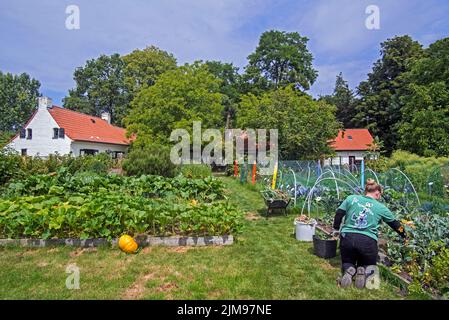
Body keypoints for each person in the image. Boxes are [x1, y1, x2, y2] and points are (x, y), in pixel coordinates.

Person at [332, 179, 407, 289]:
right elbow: (395, 224)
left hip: (347, 238)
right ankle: (362, 270)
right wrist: (405, 235)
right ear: (377, 192)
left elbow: (339, 213)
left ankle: (349, 270)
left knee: (347, 260)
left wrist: (336, 228)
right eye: (380, 194)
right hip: (367, 241)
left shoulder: (351, 198)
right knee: (368, 263)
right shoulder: (381, 207)